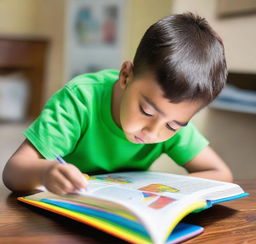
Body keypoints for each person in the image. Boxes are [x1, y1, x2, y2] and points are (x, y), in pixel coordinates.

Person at [2, 13, 233, 195]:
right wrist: (46, 173)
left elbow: (221, 173)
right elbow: (13, 171)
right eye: (146, 111)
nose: (153, 132)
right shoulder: (80, 100)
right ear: (125, 76)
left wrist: (170, 187)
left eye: (172, 126)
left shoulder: (169, 117)